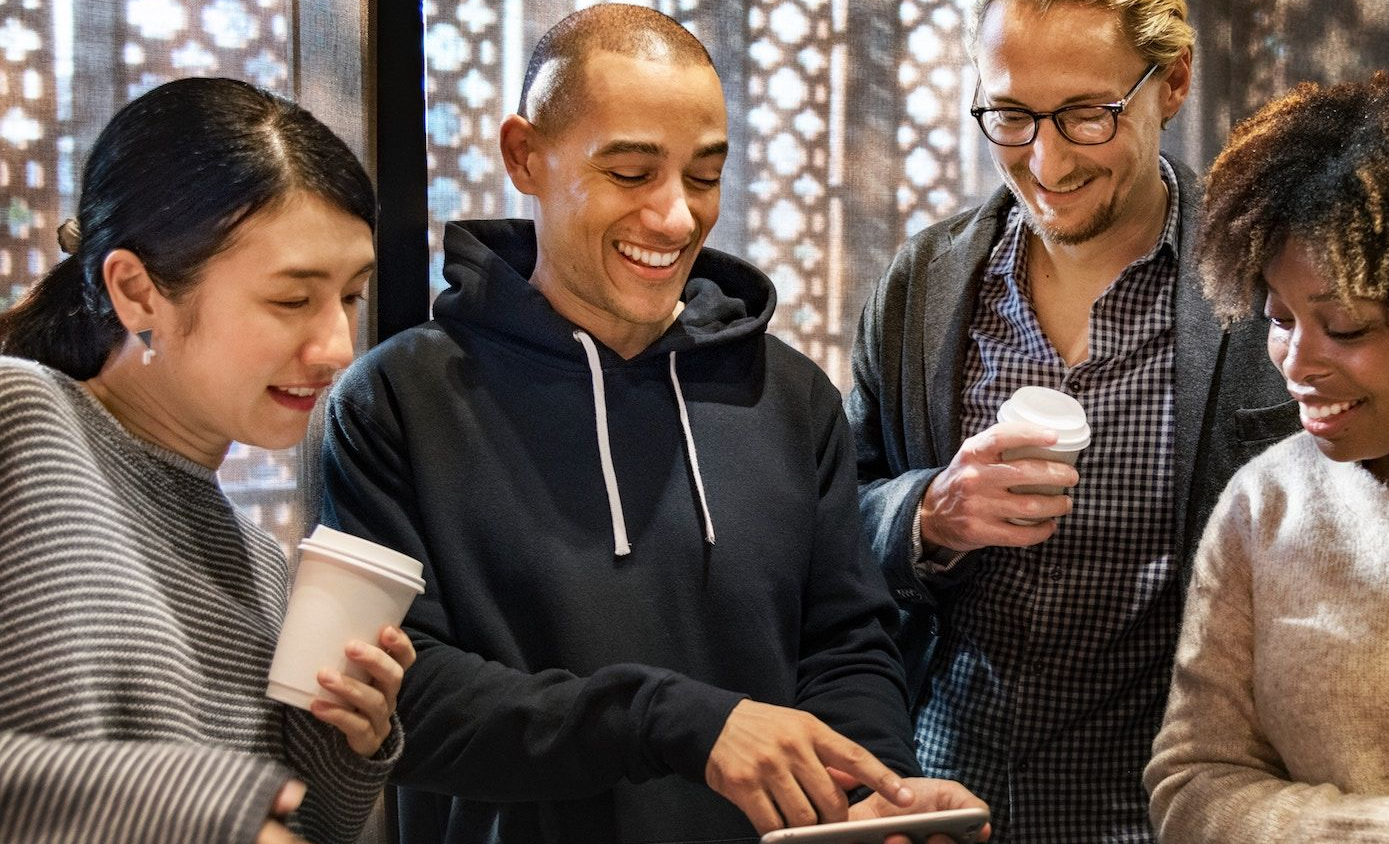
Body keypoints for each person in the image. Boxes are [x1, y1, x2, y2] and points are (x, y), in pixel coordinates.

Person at [319, 5, 988, 844]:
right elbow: (405, 701)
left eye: (704, 177)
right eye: (632, 174)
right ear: (525, 156)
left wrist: (864, 793)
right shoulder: (396, 402)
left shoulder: (788, 396)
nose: (676, 219)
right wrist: (670, 719)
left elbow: (846, 641)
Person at [845, 0, 1300, 840]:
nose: (1045, 160)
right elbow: (834, 522)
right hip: (948, 804)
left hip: (1160, 814)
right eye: (1011, 116)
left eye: (1088, 115)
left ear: (1172, 83)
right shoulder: (921, 287)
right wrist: (927, 515)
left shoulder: (1266, 289)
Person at [0, 77, 414, 844]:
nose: (337, 349)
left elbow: (299, 825)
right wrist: (206, 812)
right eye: (293, 300)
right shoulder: (20, 420)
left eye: (352, 296)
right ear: (137, 291)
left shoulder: (259, 566)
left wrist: (342, 746)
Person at [1144, 73, 1389, 844]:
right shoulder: (1266, 504)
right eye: (1278, 316)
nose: (1296, 363)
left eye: (1345, 327)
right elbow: (1192, 784)